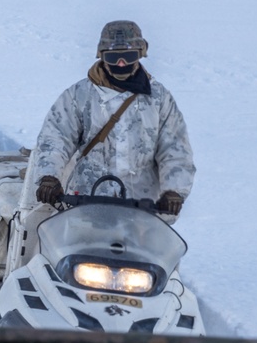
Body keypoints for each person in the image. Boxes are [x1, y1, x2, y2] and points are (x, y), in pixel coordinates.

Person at [24, 20, 195, 219]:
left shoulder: (158, 98)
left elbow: (175, 148)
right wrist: (49, 177)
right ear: (102, 56)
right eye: (113, 57)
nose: (121, 63)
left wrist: (174, 190)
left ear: (140, 54)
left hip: (143, 207)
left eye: (128, 56)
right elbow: (55, 138)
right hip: (86, 201)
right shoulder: (79, 95)